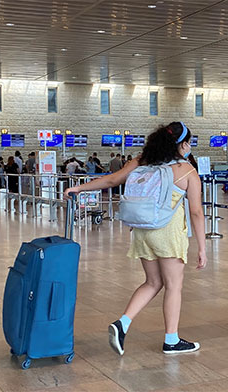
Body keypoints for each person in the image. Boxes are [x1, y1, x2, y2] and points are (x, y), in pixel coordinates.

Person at [64, 121, 207, 356]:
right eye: (188, 142)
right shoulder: (187, 171)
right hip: (169, 234)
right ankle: (171, 340)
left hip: (141, 231)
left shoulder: (140, 162)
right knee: (173, 285)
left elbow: (111, 181)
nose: (189, 146)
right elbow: (196, 212)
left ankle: (123, 324)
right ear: (181, 145)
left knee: (153, 282)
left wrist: (78, 188)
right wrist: (202, 247)